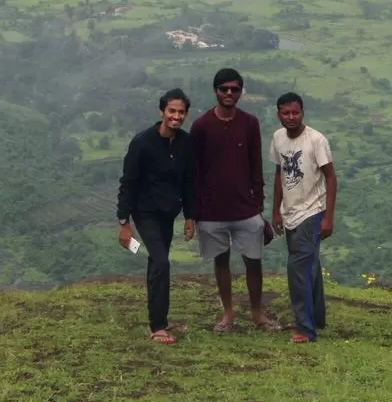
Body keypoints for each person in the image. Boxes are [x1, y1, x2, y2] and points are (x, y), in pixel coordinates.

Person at [191, 68, 278, 332]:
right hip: (212, 210)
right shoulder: (201, 126)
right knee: (221, 261)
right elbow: (194, 170)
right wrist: (194, 210)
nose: (229, 93)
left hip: (246, 208)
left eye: (235, 89)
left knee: (254, 260)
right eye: (224, 88)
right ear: (215, 91)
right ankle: (227, 314)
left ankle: (256, 313)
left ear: (241, 91)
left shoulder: (249, 123)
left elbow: (256, 164)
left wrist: (258, 204)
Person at [117, 88, 197, 345]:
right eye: (172, 111)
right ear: (161, 111)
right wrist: (124, 223)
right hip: (145, 212)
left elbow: (189, 182)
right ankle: (158, 327)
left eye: (181, 112)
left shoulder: (186, 143)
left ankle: (157, 319)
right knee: (162, 263)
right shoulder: (142, 143)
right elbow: (128, 182)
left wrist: (189, 216)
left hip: (168, 212)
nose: (176, 116)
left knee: (156, 263)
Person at [269, 92, 337, 344]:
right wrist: (276, 210)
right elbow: (279, 174)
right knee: (309, 268)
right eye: (285, 113)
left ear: (303, 112)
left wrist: (328, 217)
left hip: (312, 211)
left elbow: (330, 177)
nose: (290, 117)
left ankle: (306, 329)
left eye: (295, 112)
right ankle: (316, 318)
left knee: (297, 269)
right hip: (291, 212)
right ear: (278, 114)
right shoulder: (278, 138)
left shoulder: (316, 140)